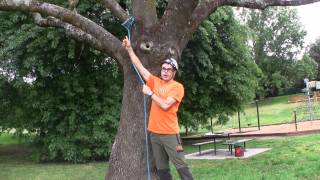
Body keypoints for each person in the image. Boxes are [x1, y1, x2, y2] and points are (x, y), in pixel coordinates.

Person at [122, 36, 194, 180]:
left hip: (170, 134)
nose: (165, 71)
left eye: (169, 69)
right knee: (162, 170)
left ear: (174, 73)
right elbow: (140, 67)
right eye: (163, 69)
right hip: (154, 133)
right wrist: (129, 49)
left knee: (181, 167)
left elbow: (166, 105)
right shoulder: (155, 82)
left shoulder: (177, 87)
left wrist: (150, 93)